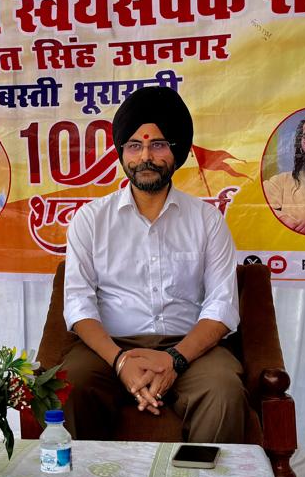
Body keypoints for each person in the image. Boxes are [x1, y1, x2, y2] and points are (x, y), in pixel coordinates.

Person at [61, 86, 254, 443]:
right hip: (110, 347)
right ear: (122, 152)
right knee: (69, 384)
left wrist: (175, 360)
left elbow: (222, 305)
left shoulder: (207, 221)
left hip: (191, 347)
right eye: (134, 146)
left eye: (158, 145)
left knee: (223, 390)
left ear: (176, 152)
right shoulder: (90, 220)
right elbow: (78, 305)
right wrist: (120, 361)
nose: (145, 156)